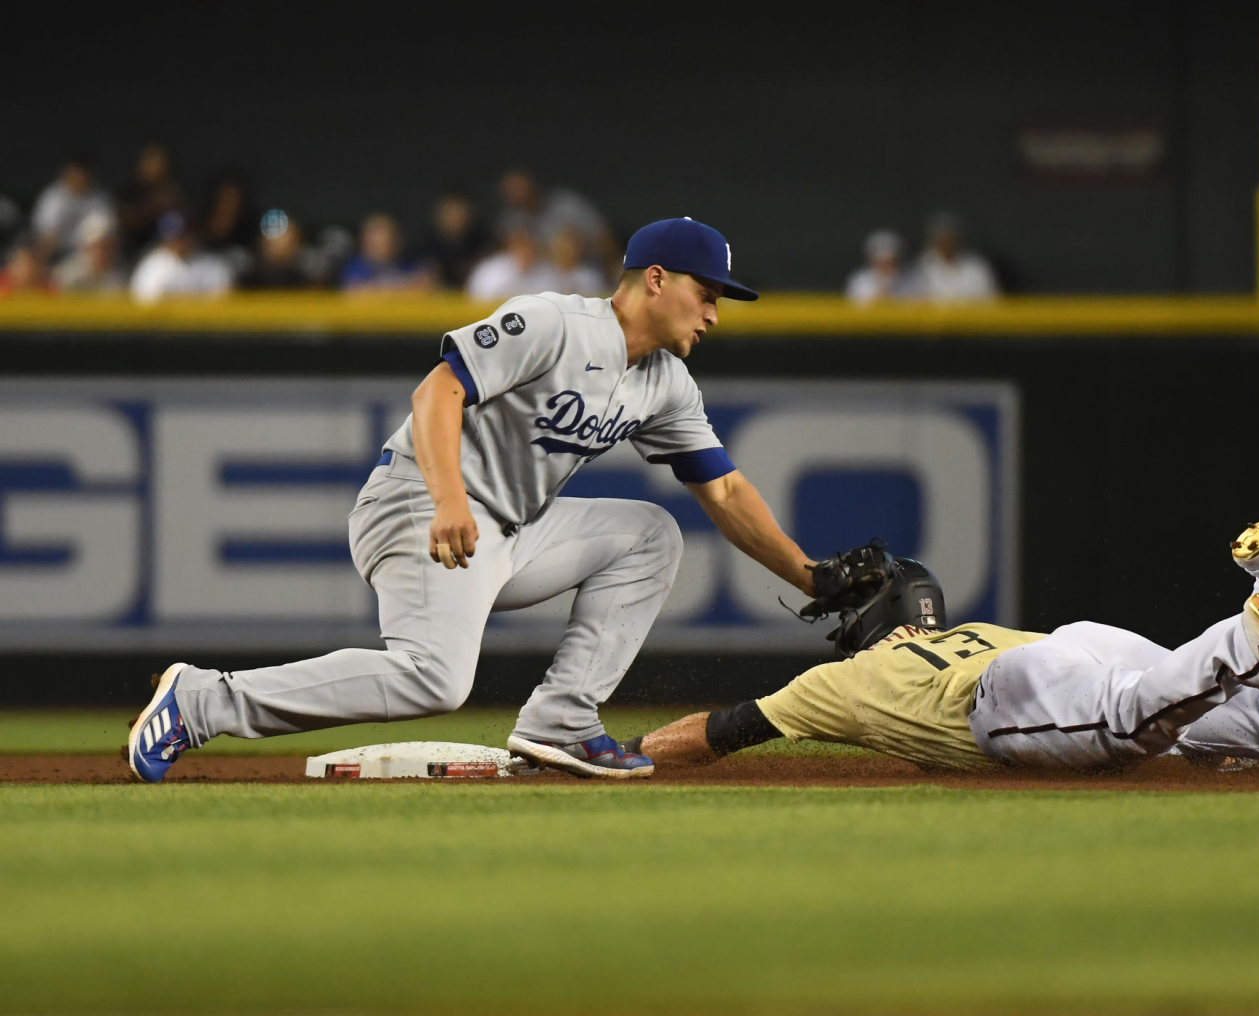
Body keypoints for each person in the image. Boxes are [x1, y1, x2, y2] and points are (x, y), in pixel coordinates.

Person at [128, 217, 830, 784]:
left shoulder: (666, 384)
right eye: (707, 293)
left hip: (510, 530)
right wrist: (448, 497)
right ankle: (201, 700)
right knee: (435, 678)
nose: (714, 313)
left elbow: (727, 490)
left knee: (650, 533)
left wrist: (810, 579)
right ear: (655, 279)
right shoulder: (554, 322)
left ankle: (561, 719)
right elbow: (438, 391)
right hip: (417, 504)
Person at [629, 489, 1259, 775]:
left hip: (1003, 696)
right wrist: (1215, 748)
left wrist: (630, 754)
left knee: (1126, 720)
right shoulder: (967, 628)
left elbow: (720, 731)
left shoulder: (842, 683)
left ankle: (1244, 641)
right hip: (1066, 647)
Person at [496, 169, 616, 272]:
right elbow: (505, 251)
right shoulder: (512, 218)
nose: (519, 196)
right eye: (513, 193)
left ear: (533, 187)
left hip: (583, 266)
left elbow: (603, 237)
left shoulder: (565, 205)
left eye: (521, 190)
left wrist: (609, 263)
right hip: (541, 276)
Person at [129, 210, 234, 303]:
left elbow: (222, 301)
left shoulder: (213, 265)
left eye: (183, 236)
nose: (179, 242)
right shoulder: (153, 266)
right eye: (174, 237)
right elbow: (144, 304)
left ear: (192, 235)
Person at [30, 154, 114, 262]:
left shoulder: (99, 200)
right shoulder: (53, 197)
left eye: (82, 176)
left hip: (86, 254)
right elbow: (46, 235)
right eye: (74, 175)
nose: (78, 180)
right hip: (56, 252)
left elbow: (104, 235)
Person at [116, 143, 185, 256]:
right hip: (134, 251)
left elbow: (184, 223)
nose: (158, 167)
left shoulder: (172, 190)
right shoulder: (130, 192)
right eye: (153, 162)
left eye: (161, 162)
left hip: (166, 251)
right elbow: (125, 224)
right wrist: (153, 205)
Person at [915, 212, 998, 302]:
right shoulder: (920, 268)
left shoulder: (976, 267)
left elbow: (993, 300)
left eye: (949, 238)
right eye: (940, 238)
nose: (945, 243)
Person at [340, 213, 433, 291]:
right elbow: (356, 292)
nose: (388, 241)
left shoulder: (411, 263)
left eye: (391, 236)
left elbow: (427, 285)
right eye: (380, 236)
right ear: (366, 240)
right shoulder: (354, 267)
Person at [465, 226, 556, 302]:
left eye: (530, 246)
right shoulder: (491, 271)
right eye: (521, 245)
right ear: (510, 247)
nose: (526, 251)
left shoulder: (545, 272)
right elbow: (478, 301)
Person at [422, 188, 487, 289]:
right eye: (450, 210)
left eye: (459, 209)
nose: (455, 216)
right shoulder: (427, 245)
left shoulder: (482, 241)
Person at [240, 210, 317, 289]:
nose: (279, 243)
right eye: (273, 239)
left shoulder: (308, 277)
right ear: (262, 242)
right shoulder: (248, 276)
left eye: (287, 240)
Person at [53, 211, 127, 292]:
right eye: (97, 246)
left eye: (107, 247)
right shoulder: (67, 276)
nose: (102, 252)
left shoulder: (121, 279)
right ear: (85, 247)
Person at [845, 229, 921, 304]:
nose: (886, 266)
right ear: (871, 259)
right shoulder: (860, 280)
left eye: (891, 261)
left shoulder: (910, 280)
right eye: (881, 262)